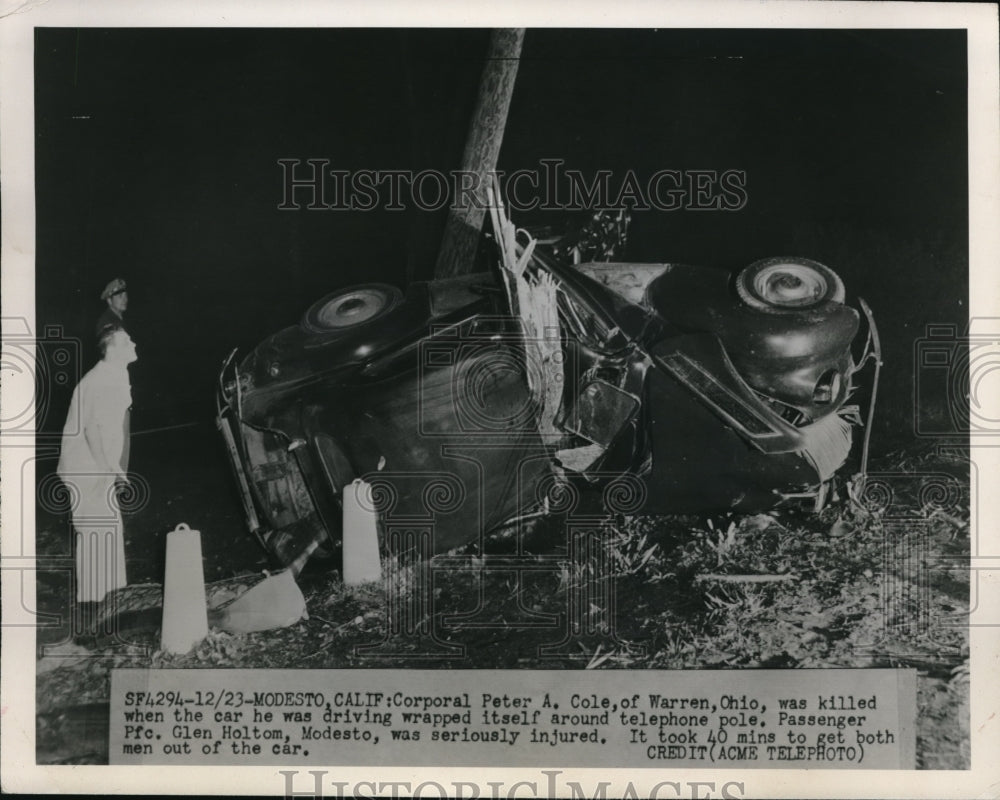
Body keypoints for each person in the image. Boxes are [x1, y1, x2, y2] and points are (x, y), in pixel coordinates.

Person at [58, 325, 138, 633]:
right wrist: (111, 471)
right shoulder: (100, 380)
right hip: (86, 470)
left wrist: (114, 471)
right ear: (112, 347)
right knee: (95, 537)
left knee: (109, 535)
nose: (133, 342)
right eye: (127, 339)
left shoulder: (116, 375)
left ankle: (110, 608)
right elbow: (92, 430)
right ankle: (91, 619)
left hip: (99, 468)